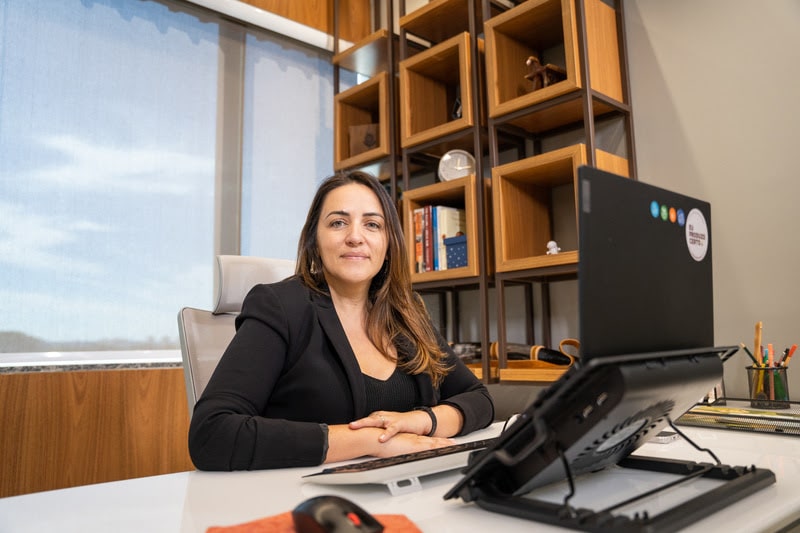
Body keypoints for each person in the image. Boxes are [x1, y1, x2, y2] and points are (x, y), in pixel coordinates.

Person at [188, 170, 494, 470]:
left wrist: (422, 421)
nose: (355, 237)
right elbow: (212, 433)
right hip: (301, 499)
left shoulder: (405, 311)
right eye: (338, 223)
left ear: (388, 245)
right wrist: (372, 441)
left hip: (407, 490)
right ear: (314, 241)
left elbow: (478, 399)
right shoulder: (280, 306)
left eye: (372, 224)